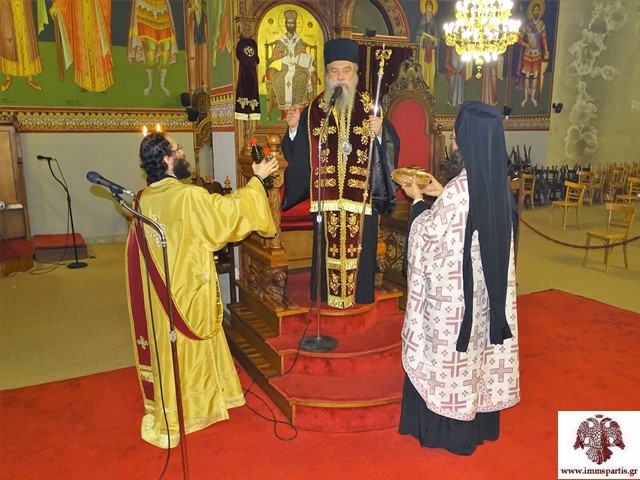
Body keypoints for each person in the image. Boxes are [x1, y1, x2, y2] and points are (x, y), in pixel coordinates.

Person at [126, 132, 278, 448]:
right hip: (189, 291)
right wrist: (256, 181)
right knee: (190, 347)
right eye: (179, 149)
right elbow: (225, 215)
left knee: (170, 348)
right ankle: (196, 406)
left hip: (160, 293)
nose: (183, 153)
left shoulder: (145, 198)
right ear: (167, 159)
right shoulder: (187, 197)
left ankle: (178, 402)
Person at [398, 100, 520, 455]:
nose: (452, 142)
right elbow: (470, 217)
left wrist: (417, 202)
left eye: (456, 137)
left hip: (457, 307)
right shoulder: (496, 183)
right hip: (485, 300)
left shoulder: (459, 192)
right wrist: (441, 192)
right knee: (477, 361)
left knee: (452, 363)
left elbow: (429, 242)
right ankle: (479, 424)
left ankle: (446, 433)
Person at [281, 38, 398, 310]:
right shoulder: (315, 109)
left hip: (361, 197)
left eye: (346, 70)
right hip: (328, 196)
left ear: (355, 73)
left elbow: (391, 146)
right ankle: (327, 295)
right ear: (327, 74)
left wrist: (381, 133)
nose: (341, 76)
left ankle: (360, 295)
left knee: (361, 247)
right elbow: (299, 152)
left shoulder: (370, 105)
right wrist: (295, 129)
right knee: (327, 247)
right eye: (335, 71)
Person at [49, 0, 114, 93]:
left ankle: (102, 83)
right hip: (79, 11)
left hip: (95, 11)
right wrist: (57, 5)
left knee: (98, 45)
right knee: (82, 45)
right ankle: (85, 82)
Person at [265, 9, 314, 117]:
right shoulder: (281, 40)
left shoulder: (299, 40)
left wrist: (300, 59)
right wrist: (283, 54)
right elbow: (274, 56)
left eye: (292, 23)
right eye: (288, 23)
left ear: (295, 24)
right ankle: (285, 112)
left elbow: (303, 53)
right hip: (285, 68)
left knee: (302, 78)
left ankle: (298, 111)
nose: (290, 25)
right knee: (278, 79)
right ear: (285, 24)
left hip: (298, 68)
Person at [128, 0, 178, 96]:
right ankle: (150, 85)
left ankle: (162, 84)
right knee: (151, 49)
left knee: (166, 48)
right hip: (146, 10)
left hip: (162, 10)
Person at [0, 0, 44, 92]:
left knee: (27, 36)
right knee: (8, 34)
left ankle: (30, 77)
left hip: (23, 4)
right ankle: (8, 76)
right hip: (6, 3)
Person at [516, 0, 549, 108]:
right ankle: (526, 98)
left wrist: (546, 49)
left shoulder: (541, 24)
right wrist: (525, 44)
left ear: (540, 11)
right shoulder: (527, 25)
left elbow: (543, 37)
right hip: (528, 54)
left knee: (535, 76)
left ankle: (532, 98)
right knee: (526, 76)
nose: (536, 12)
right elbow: (519, 38)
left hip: (537, 53)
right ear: (531, 12)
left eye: (537, 10)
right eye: (534, 10)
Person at [415, 0, 439, 93]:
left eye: (431, 8)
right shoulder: (422, 20)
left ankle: (430, 91)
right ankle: (421, 90)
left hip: (431, 51)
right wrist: (422, 37)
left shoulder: (434, 22)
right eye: (428, 8)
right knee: (422, 69)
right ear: (425, 9)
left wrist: (435, 39)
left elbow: (437, 38)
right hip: (423, 50)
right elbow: (418, 36)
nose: (429, 10)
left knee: (431, 72)